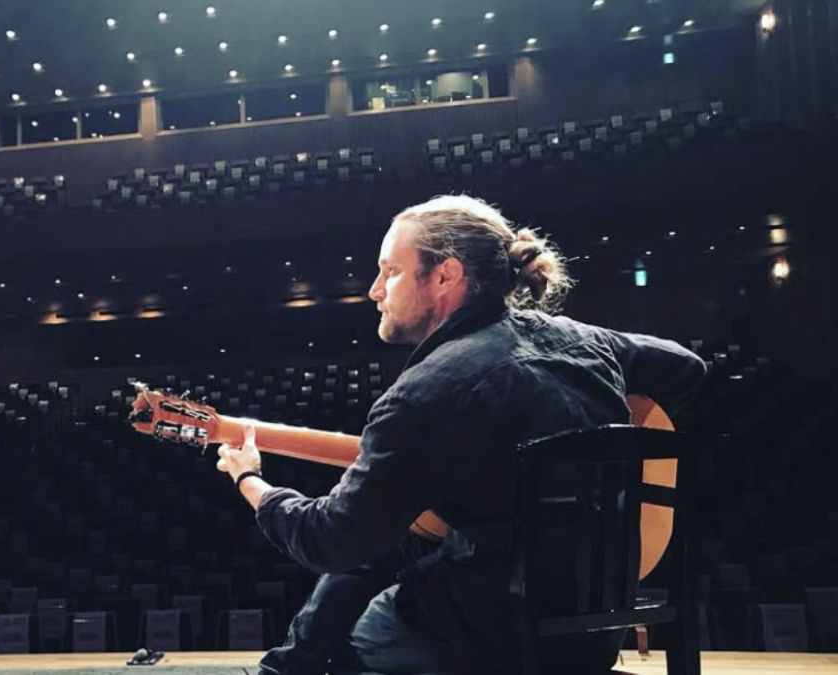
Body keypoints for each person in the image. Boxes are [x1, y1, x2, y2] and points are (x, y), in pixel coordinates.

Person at [216, 194, 708, 675]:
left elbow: (331, 540)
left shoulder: (425, 392)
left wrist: (251, 482)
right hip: (598, 626)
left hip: (492, 637)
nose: (374, 290)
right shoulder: (585, 342)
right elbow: (687, 368)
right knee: (403, 540)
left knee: (340, 642)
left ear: (445, 275)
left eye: (390, 271)